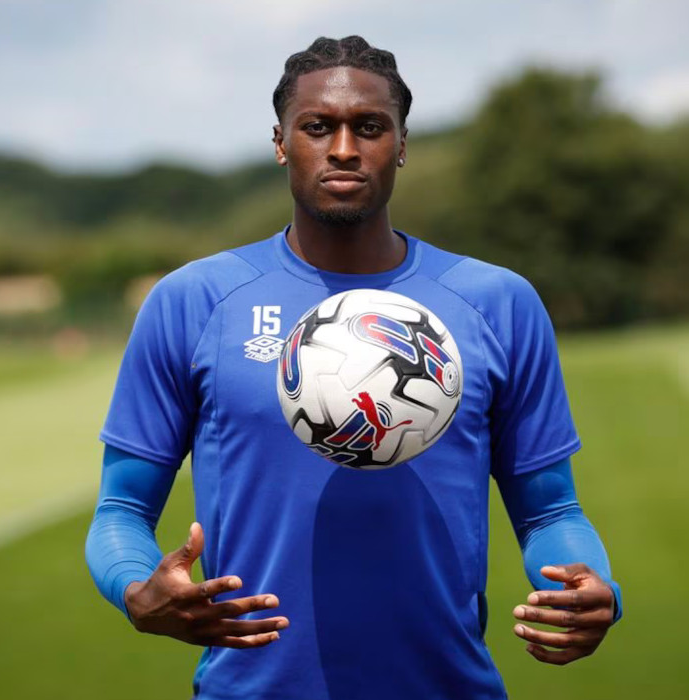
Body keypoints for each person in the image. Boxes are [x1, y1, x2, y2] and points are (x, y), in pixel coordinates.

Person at [86, 36, 621, 700]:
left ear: (401, 144)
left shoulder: (497, 303)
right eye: (318, 127)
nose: (343, 148)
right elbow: (121, 509)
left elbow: (550, 512)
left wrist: (589, 587)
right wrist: (136, 588)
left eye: (369, 127)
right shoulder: (193, 302)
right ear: (281, 143)